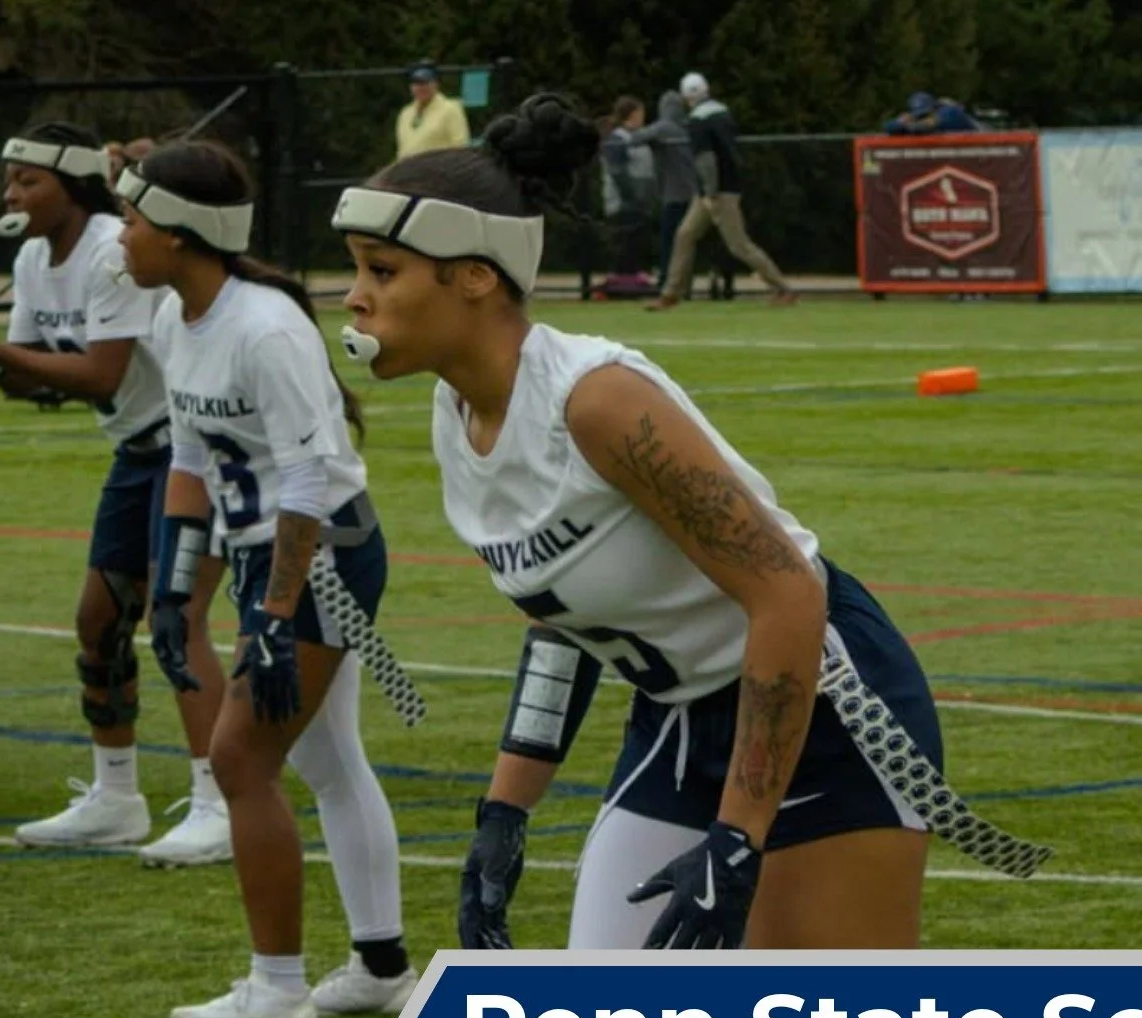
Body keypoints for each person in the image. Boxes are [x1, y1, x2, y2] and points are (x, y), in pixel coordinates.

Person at [332, 94, 1050, 951]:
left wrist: (739, 838)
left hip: (824, 713)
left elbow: (786, 594)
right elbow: (558, 621)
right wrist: (505, 809)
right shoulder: (459, 411)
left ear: (477, 273)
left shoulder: (597, 402)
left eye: (382, 270)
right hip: (675, 722)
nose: (355, 298)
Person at [116, 139, 422, 1018]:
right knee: (327, 759)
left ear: (179, 234)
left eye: (132, 219)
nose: (120, 238)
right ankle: (381, 965)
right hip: (269, 553)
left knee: (242, 758)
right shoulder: (178, 318)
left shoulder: (264, 328)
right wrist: (176, 594)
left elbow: (311, 484)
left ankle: (279, 988)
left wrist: (276, 613)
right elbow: (188, 460)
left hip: (321, 550)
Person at [0, 121, 233, 868]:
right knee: (98, 621)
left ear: (73, 187)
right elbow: (35, 377)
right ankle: (116, 797)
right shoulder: (34, 256)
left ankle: (219, 802)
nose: (11, 194)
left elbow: (101, 375)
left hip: (187, 449)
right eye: (9, 180)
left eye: (28, 181)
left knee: (178, 624)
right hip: (136, 450)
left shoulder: (115, 247)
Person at [646, 72, 795, 310]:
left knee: (739, 245)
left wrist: (710, 193)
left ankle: (782, 288)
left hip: (715, 190)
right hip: (718, 187)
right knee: (685, 235)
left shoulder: (697, 120)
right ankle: (671, 293)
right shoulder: (723, 113)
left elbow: (706, 160)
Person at [625, 90, 698, 291]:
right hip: (692, 193)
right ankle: (685, 282)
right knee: (687, 242)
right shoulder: (687, 127)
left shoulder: (664, 127)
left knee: (669, 241)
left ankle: (667, 282)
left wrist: (628, 129)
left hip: (674, 195)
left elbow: (635, 139)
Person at [598, 96, 657, 292]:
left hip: (638, 200)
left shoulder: (637, 137)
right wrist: (632, 196)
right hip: (623, 201)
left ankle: (632, 279)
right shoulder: (617, 139)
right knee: (625, 242)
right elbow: (617, 171)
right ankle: (621, 282)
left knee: (635, 242)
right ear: (631, 115)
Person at [395, 60, 471, 161]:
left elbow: (461, 148)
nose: (421, 88)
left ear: (436, 84)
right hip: (408, 173)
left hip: (438, 173)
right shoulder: (405, 113)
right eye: (417, 83)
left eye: (426, 83)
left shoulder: (450, 109)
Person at [884, 92, 981, 135]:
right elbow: (889, 127)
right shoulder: (915, 120)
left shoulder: (950, 112)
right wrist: (902, 121)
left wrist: (910, 125)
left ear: (934, 108)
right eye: (920, 115)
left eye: (926, 114)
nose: (923, 117)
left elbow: (929, 124)